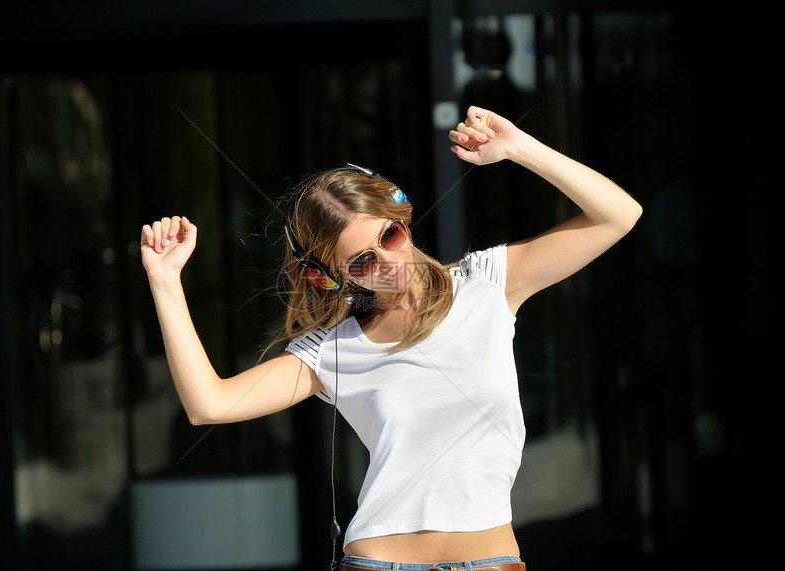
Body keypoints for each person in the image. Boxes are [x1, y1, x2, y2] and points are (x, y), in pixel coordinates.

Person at [140, 105, 642, 571]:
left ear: (401, 219)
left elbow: (619, 215)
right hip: (378, 563)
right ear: (330, 277)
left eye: (390, 237)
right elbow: (209, 404)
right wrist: (165, 283)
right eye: (362, 262)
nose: (388, 264)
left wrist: (518, 147)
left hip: (491, 560)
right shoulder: (333, 349)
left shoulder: (485, 282)